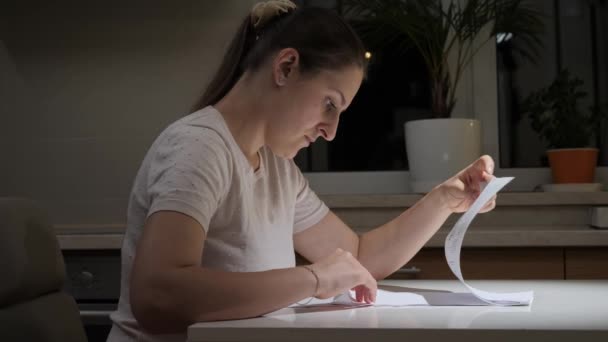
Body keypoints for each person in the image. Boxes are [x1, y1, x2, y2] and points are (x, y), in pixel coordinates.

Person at [107, 1, 496, 341]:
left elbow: (358, 256)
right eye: (330, 104)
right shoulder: (200, 147)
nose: (331, 131)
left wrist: (447, 198)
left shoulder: (277, 168)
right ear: (286, 67)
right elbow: (157, 296)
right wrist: (314, 279)